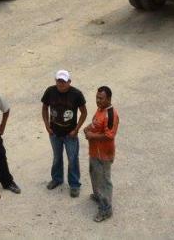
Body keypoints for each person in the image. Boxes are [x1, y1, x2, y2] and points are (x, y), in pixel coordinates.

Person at [41, 69, 87, 197]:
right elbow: (44, 108)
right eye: (59, 81)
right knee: (57, 157)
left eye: (64, 82)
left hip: (70, 134)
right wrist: (47, 126)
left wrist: (76, 129)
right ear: (56, 81)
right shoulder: (50, 91)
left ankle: (74, 184)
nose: (61, 84)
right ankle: (57, 179)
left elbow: (84, 112)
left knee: (72, 159)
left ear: (69, 82)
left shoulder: (76, 94)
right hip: (54, 133)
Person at [84, 85, 120, 222]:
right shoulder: (100, 109)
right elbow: (95, 124)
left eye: (101, 98)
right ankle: (98, 196)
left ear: (109, 99)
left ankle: (106, 209)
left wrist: (92, 136)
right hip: (94, 152)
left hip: (104, 154)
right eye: (97, 98)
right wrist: (87, 128)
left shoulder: (111, 114)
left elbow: (109, 135)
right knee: (94, 174)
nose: (98, 101)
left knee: (104, 181)